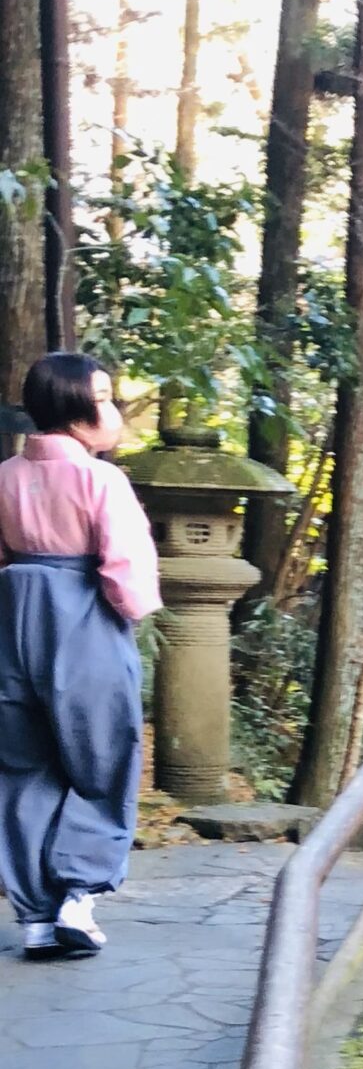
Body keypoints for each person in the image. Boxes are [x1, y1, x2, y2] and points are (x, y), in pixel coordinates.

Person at [0, 353, 161, 959]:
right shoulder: (101, 480)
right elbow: (125, 570)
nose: (112, 409)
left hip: (14, 623)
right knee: (102, 756)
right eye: (103, 397)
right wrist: (132, 613)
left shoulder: (5, 476)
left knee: (24, 768)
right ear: (75, 408)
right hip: (84, 618)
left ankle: (35, 918)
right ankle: (78, 892)